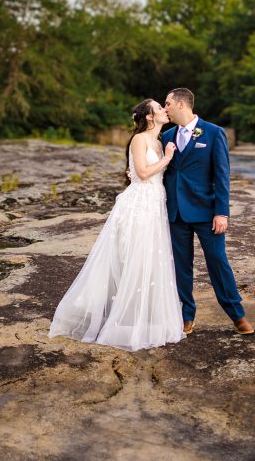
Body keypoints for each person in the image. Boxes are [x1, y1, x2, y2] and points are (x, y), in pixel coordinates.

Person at [48, 99, 184, 351]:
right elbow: (142, 173)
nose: (165, 110)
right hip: (140, 205)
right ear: (151, 117)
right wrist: (166, 158)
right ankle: (120, 319)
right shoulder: (140, 139)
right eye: (159, 107)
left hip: (155, 204)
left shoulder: (158, 140)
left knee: (151, 260)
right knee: (134, 259)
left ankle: (143, 318)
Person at [162, 88, 253, 335]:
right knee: (181, 266)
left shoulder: (213, 133)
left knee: (217, 261)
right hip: (176, 214)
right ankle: (185, 316)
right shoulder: (166, 136)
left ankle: (237, 314)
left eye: (167, 103)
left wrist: (221, 213)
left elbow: (222, 175)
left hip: (207, 212)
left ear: (181, 104)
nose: (165, 108)